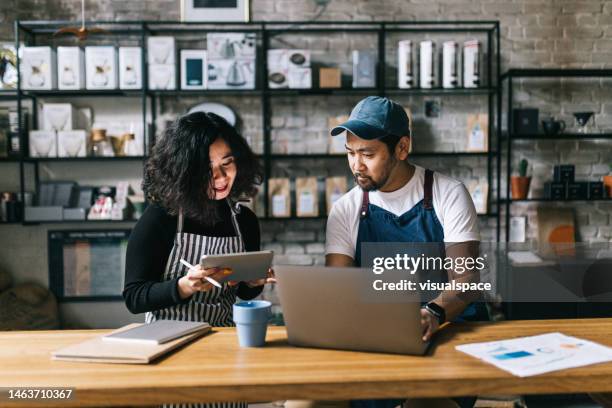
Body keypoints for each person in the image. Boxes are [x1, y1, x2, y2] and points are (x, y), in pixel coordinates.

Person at [325, 96, 488, 408]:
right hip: (376, 340)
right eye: (350, 153)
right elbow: (338, 289)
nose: (356, 165)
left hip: (445, 334)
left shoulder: (448, 194)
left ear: (401, 148)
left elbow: (467, 279)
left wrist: (433, 313)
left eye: (367, 154)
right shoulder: (345, 208)